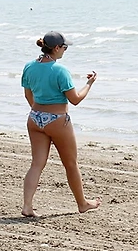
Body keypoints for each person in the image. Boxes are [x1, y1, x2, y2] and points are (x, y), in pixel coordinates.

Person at [21, 32, 100, 217]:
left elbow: (28, 95)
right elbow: (75, 99)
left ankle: (27, 206)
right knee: (70, 164)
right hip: (57, 120)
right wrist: (89, 83)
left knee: (36, 164)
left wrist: (40, 112)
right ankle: (82, 203)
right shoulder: (60, 70)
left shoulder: (29, 66)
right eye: (64, 47)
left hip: (35, 118)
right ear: (56, 48)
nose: (65, 50)